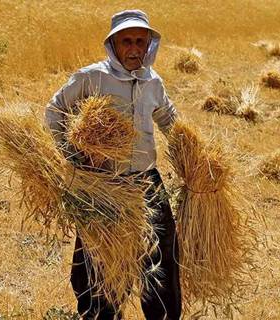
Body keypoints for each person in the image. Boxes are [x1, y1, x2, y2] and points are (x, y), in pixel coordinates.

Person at [44, 9, 181, 320]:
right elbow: (54, 112)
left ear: (149, 45)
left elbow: (169, 119)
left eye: (140, 42)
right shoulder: (92, 77)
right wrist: (75, 156)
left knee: (162, 257)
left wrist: (191, 154)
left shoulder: (152, 82)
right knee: (98, 263)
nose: (134, 49)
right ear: (113, 44)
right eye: (127, 41)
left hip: (146, 182)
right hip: (102, 185)